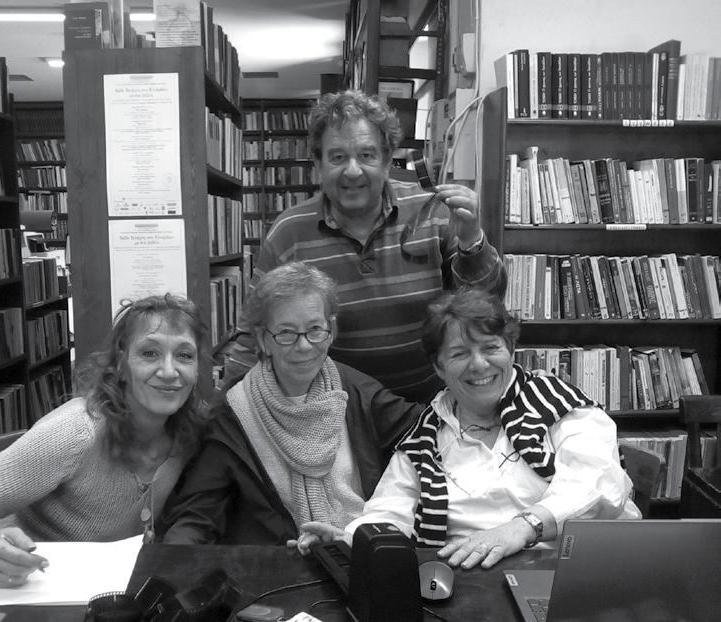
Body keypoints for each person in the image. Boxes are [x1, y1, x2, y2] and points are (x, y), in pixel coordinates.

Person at [295, 289, 640, 569]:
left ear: (510, 350)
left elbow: (600, 485)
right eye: (460, 354)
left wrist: (521, 528)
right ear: (439, 367)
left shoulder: (562, 406)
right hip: (465, 582)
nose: (479, 364)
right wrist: (350, 540)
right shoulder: (426, 435)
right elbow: (391, 509)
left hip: (569, 572)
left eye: (491, 348)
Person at [0, 293, 209, 587]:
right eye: (149, 353)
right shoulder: (76, 432)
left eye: (184, 355)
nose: (169, 371)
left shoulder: (192, 433)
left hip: (108, 588)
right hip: (26, 586)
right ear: (121, 365)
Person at [223, 90, 505, 404]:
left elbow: (487, 305)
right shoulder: (288, 234)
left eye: (367, 155)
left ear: (386, 160)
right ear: (318, 164)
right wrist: (225, 412)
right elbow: (253, 334)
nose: (353, 170)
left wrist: (472, 241)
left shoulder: (434, 214)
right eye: (337, 157)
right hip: (336, 416)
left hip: (431, 409)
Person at [159, 262, 424, 545]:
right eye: (286, 332)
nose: (304, 346)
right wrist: (171, 560)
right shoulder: (232, 414)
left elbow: (431, 436)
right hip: (279, 563)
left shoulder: (359, 393)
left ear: (331, 330)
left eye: (315, 329)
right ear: (263, 340)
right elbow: (198, 516)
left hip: (360, 552)